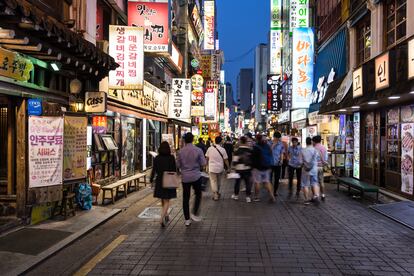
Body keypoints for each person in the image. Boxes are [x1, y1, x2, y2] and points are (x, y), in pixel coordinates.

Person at [176, 132, 207, 226]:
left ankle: (187, 219)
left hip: (185, 177)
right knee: (198, 194)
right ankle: (194, 212)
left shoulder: (181, 151)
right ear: (193, 139)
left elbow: (177, 165)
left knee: (185, 198)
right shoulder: (198, 150)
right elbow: (203, 163)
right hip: (196, 176)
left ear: (185, 140)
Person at [150, 141, 177, 227]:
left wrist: (151, 179)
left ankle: (166, 214)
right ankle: (161, 219)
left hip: (159, 180)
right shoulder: (171, 157)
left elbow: (153, 170)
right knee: (167, 200)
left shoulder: (157, 158)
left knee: (163, 199)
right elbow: (174, 170)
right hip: (168, 179)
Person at [251, 134, 276, 202]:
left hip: (257, 168)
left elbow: (253, 158)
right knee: (267, 182)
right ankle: (272, 196)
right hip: (267, 167)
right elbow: (271, 154)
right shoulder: (267, 145)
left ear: (256, 139)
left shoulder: (255, 147)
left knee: (257, 182)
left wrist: (252, 166)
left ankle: (256, 197)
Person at [205, 136, 229, 201]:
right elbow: (226, 160)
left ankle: (215, 194)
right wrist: (228, 168)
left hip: (212, 168)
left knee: (213, 181)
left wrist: (206, 166)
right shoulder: (223, 149)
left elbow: (207, 158)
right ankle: (217, 192)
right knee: (218, 181)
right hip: (220, 168)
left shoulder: (210, 149)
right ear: (221, 141)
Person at [231, 136, 253, 203]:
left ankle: (236, 195)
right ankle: (248, 197)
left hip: (239, 169)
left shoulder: (237, 151)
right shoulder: (250, 150)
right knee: (247, 183)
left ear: (240, 141)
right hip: (247, 169)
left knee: (237, 182)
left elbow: (234, 161)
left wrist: (233, 168)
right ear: (246, 141)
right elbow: (252, 160)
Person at [301, 137, 320, 205]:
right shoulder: (315, 150)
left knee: (305, 184)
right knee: (314, 183)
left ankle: (306, 200)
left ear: (305, 142)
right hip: (314, 169)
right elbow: (318, 159)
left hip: (305, 169)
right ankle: (316, 196)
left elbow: (300, 161)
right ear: (311, 142)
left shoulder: (302, 150)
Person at [312, 135, 328, 201]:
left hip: (314, 167)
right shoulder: (324, 148)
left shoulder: (313, 148)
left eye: (313, 141)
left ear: (315, 141)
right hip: (321, 167)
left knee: (314, 182)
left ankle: (315, 195)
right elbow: (326, 158)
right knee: (321, 181)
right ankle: (323, 195)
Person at [271, 131, 285, 197]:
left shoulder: (281, 144)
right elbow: (268, 152)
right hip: (270, 163)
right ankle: (270, 190)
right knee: (269, 178)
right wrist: (273, 145)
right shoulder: (269, 143)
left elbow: (281, 153)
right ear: (274, 137)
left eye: (278, 138)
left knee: (277, 179)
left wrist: (281, 160)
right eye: (276, 138)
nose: (277, 139)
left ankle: (275, 191)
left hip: (278, 163)